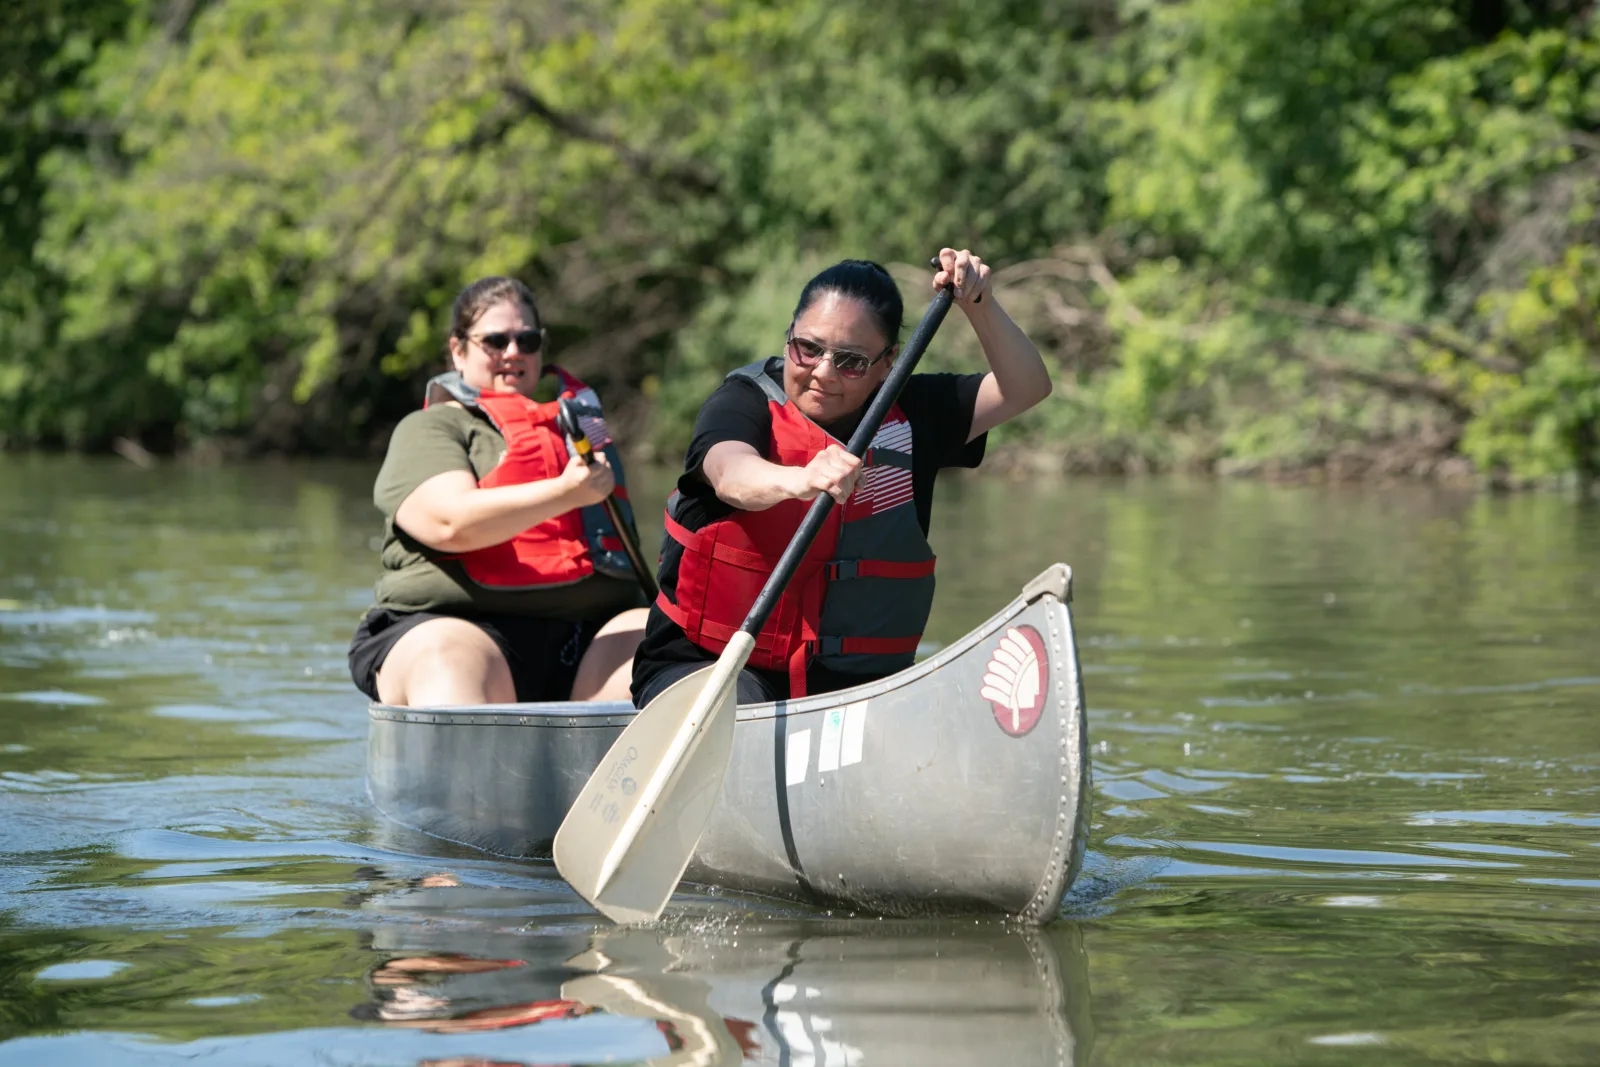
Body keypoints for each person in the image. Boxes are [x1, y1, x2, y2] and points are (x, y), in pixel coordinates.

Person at [631, 248, 1052, 707]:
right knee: (743, 702)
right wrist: (798, 480)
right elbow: (729, 471)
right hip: (709, 669)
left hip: (856, 689)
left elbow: (1026, 387)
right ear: (788, 337)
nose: (823, 373)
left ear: (888, 362)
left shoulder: (915, 412)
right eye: (807, 349)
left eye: (850, 361)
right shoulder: (742, 402)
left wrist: (980, 304)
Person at [349, 276, 649, 707]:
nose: (513, 352)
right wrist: (565, 493)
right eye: (495, 340)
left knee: (662, 640)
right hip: (455, 625)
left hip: (587, 637)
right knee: (448, 657)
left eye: (527, 339)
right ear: (458, 350)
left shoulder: (578, 432)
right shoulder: (433, 428)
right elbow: (449, 524)